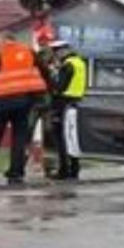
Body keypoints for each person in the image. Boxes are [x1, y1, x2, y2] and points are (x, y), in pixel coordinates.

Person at [0, 32, 49, 186]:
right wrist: (44, 91)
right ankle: (16, 174)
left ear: (3, 40)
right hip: (23, 102)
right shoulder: (29, 52)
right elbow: (44, 71)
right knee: (19, 139)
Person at [47, 40, 87, 180]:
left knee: (61, 137)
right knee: (72, 137)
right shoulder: (80, 63)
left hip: (63, 103)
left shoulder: (67, 65)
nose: (55, 56)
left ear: (62, 51)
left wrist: (52, 74)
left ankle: (64, 170)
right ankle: (74, 168)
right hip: (76, 103)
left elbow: (59, 87)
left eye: (56, 52)